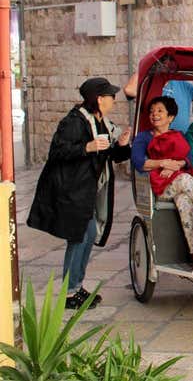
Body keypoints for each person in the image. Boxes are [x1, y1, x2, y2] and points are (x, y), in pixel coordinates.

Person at [28, 77, 131, 309]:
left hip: (85, 190)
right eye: (110, 96)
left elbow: (112, 155)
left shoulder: (101, 121)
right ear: (99, 99)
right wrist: (87, 147)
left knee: (88, 234)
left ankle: (77, 286)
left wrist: (122, 144)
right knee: (78, 238)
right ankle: (69, 293)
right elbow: (57, 151)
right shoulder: (74, 121)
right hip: (70, 190)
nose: (113, 100)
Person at [131, 96, 193, 260]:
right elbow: (139, 161)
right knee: (184, 180)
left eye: (160, 111)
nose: (155, 114)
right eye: (152, 111)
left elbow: (190, 158)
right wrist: (163, 163)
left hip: (178, 183)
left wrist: (176, 165)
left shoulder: (178, 135)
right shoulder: (143, 137)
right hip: (160, 186)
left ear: (171, 117)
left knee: (185, 203)